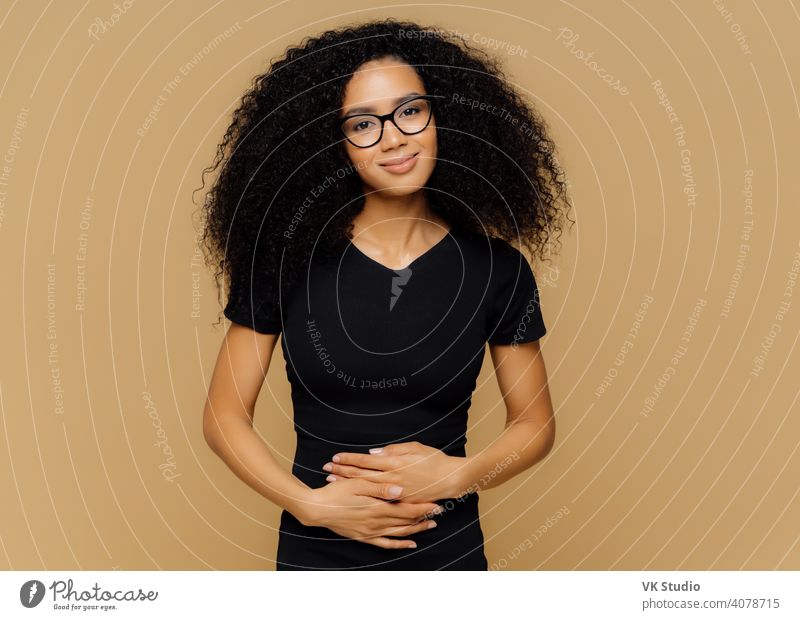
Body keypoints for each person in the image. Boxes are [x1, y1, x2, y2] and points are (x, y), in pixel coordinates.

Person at [198, 18, 573, 570]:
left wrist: (459, 474)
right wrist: (312, 506)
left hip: (447, 560)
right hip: (316, 559)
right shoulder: (283, 265)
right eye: (362, 124)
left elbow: (534, 424)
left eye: (410, 111)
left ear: (442, 115)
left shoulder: (498, 270)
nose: (394, 137)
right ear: (332, 144)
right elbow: (223, 417)